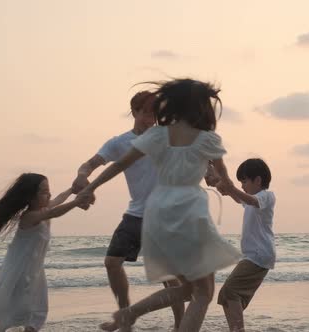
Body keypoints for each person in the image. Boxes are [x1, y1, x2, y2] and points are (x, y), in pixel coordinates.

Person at [77, 78, 242, 332]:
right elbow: (225, 180)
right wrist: (237, 193)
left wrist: (90, 188)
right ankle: (130, 313)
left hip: (158, 215)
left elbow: (119, 164)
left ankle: (129, 313)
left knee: (188, 289)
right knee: (203, 293)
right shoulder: (209, 139)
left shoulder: (157, 135)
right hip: (188, 214)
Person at [71, 91, 183, 331]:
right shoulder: (119, 142)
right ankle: (125, 317)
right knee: (112, 262)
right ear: (133, 112)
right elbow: (91, 163)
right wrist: (82, 176)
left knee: (166, 274)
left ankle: (181, 325)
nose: (149, 119)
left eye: (154, 114)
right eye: (144, 113)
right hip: (136, 213)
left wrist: (211, 173)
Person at [0, 173, 86, 332]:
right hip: (20, 272)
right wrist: (76, 202)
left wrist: (72, 190)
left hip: (35, 271)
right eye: (44, 192)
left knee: (37, 311)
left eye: (48, 190)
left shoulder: (44, 208)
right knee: (9, 309)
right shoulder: (29, 217)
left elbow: (58, 200)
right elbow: (53, 213)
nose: (49, 194)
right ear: (30, 197)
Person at [210, 158, 276, 332]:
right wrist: (221, 180)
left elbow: (250, 200)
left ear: (258, 180)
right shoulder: (250, 199)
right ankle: (235, 328)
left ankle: (238, 329)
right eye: (240, 182)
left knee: (230, 291)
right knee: (227, 296)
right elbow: (240, 199)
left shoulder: (266, 196)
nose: (242, 186)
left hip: (259, 255)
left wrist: (231, 187)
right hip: (253, 256)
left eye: (244, 181)